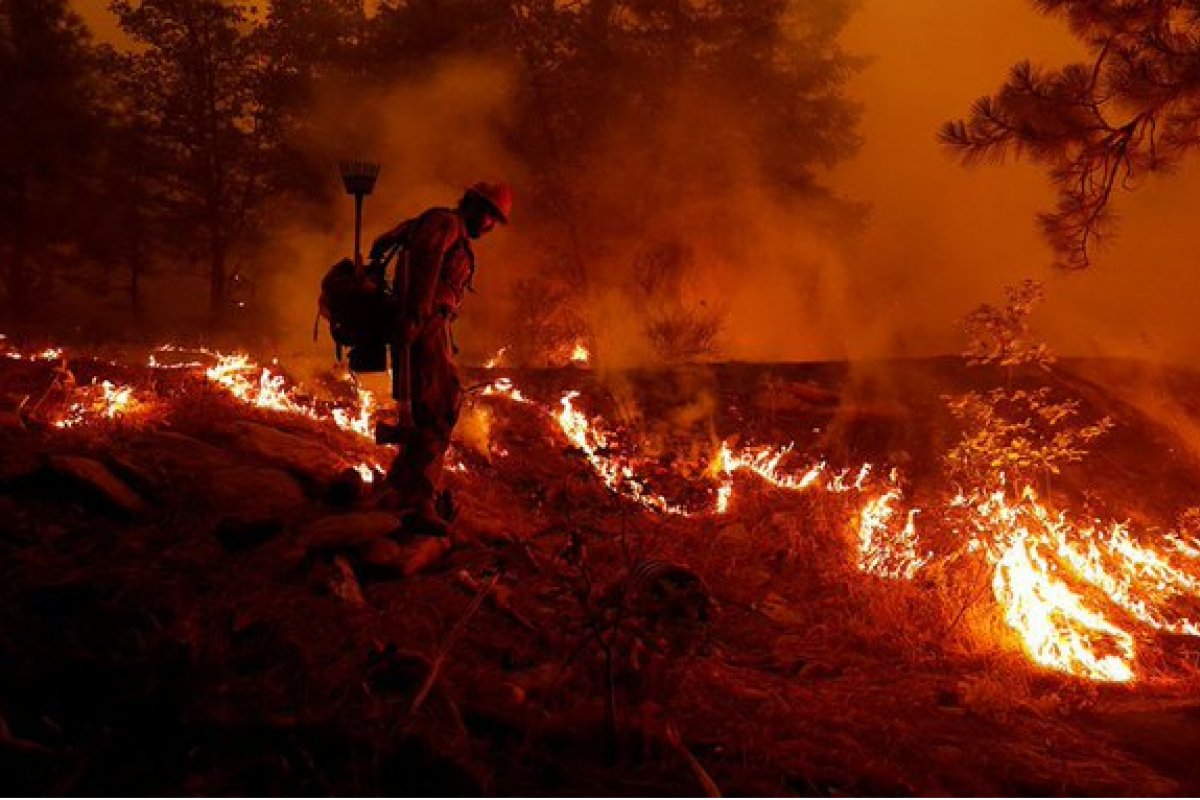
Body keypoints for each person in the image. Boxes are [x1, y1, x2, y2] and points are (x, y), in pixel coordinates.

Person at [368, 181, 512, 535]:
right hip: (426, 324)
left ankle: (399, 488)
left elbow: (386, 242)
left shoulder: (440, 224)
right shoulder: (445, 224)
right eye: (491, 217)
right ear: (477, 207)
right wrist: (415, 320)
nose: (491, 227)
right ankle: (419, 501)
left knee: (427, 409)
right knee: (440, 407)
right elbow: (424, 268)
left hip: (431, 323)